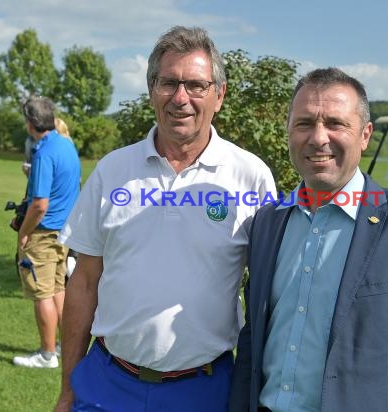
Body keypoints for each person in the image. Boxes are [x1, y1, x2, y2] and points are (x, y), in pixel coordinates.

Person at [229, 68, 388, 412]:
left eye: (335, 123)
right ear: (289, 131)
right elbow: (253, 339)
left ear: (365, 135)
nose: (318, 137)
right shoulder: (267, 223)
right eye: (304, 123)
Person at [54, 26, 276, 412]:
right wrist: (68, 388)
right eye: (167, 83)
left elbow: (270, 293)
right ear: (150, 91)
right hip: (107, 382)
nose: (180, 98)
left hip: (204, 390)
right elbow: (84, 282)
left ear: (219, 95)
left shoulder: (250, 176)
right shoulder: (113, 170)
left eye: (195, 85)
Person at [12, 96, 81, 368]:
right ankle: (64, 347)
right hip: (64, 231)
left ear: (30, 123)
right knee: (57, 289)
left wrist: (23, 233)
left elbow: (39, 204)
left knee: (41, 294)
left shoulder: (43, 152)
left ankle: (47, 354)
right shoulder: (66, 145)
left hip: (43, 231)